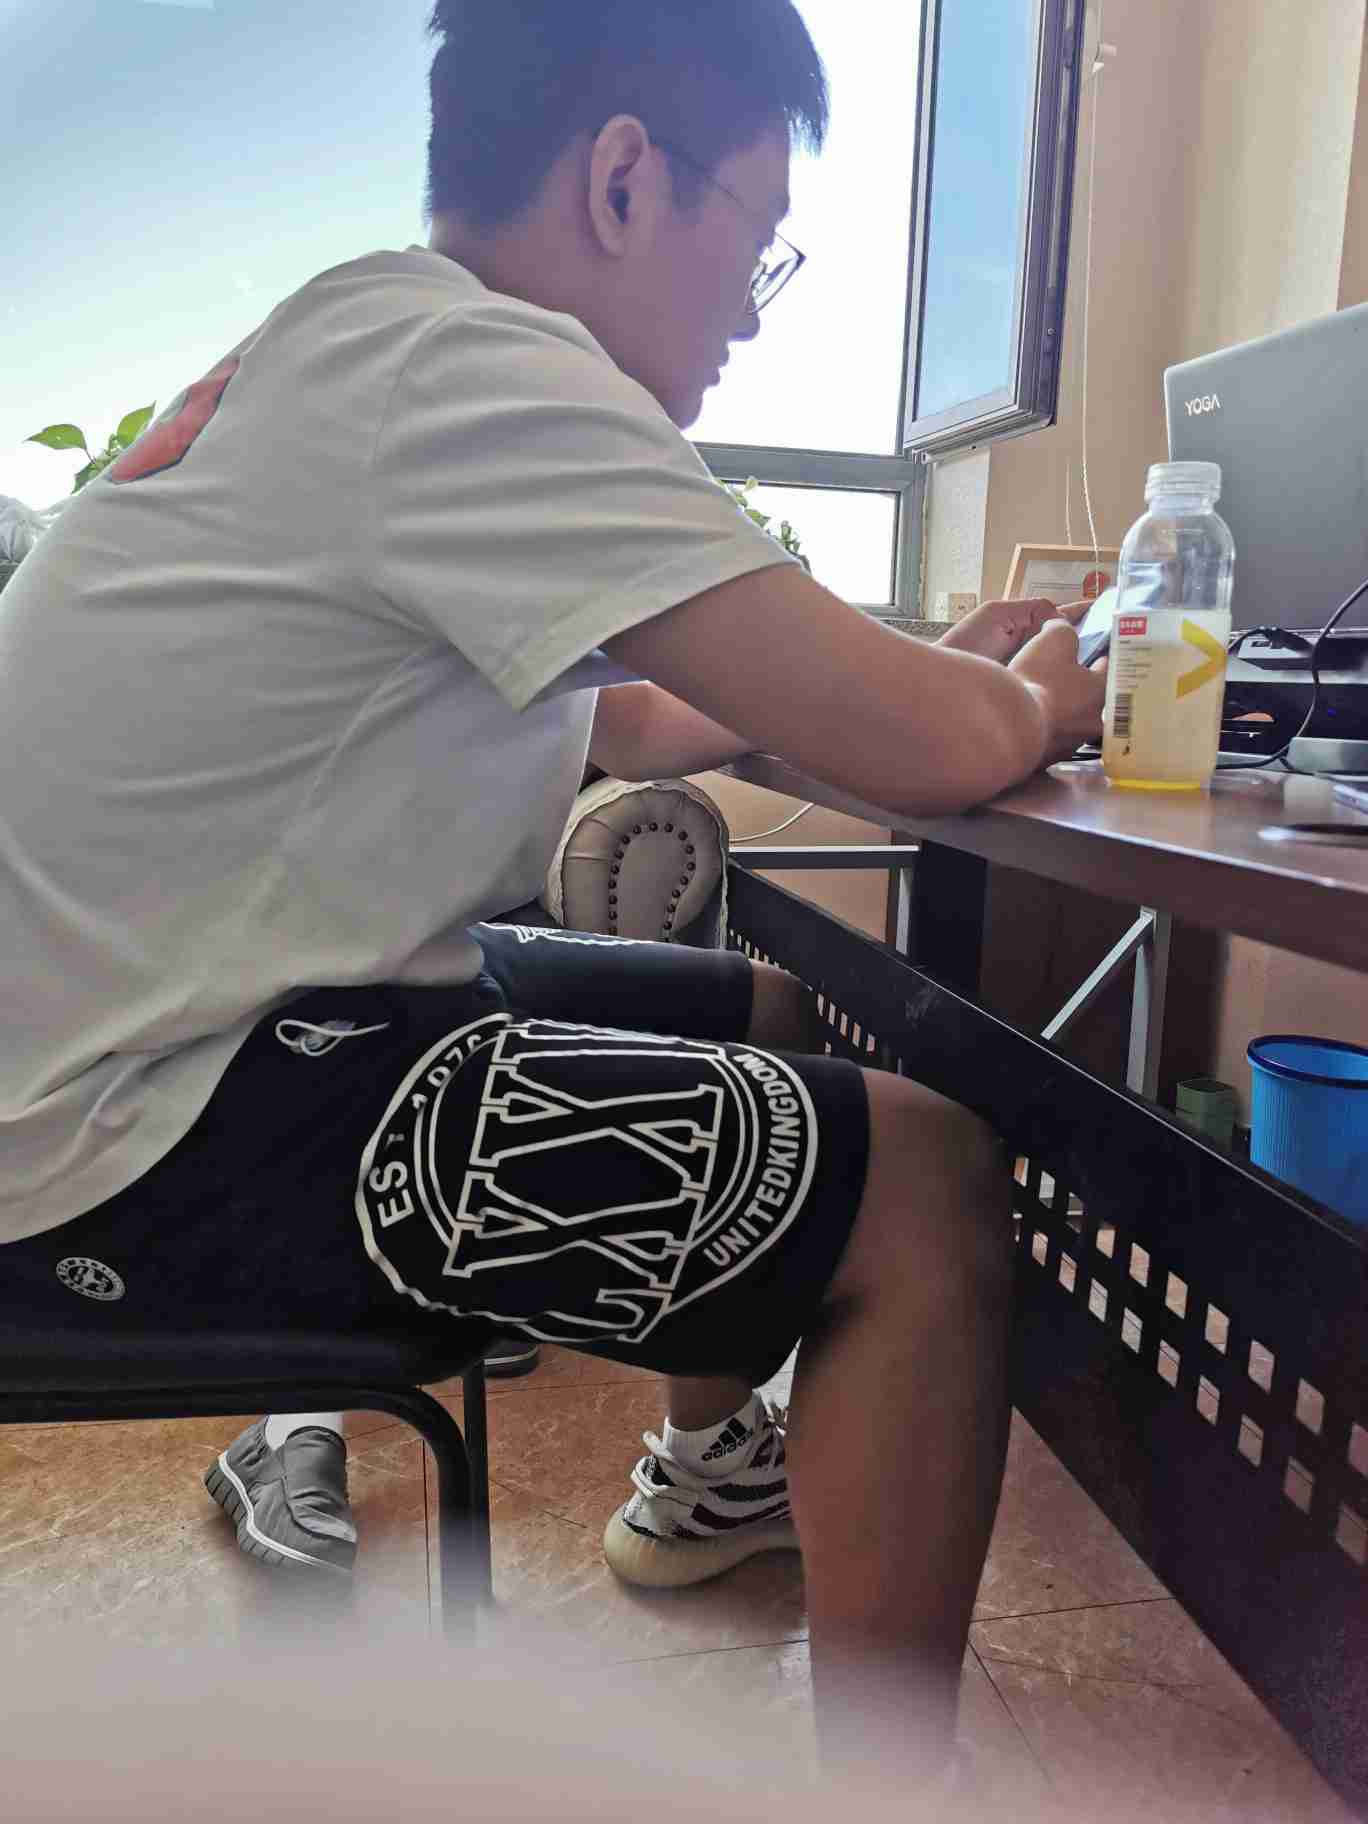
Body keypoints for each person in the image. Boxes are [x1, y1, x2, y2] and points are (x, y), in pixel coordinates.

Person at [0, 0, 1104, 1780]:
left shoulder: (378, 347)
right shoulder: (477, 373)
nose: (754, 308)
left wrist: (927, 685)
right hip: (125, 1143)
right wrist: (1033, 696)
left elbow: (641, 713)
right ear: (623, 179)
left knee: (761, 1004)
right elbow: (927, 749)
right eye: (760, 236)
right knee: (929, 1185)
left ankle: (706, 1477)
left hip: (148, 1048)